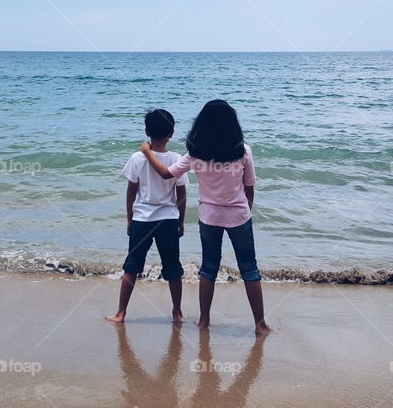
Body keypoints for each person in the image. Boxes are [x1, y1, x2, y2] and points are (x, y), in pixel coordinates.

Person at [139, 99, 272, 335]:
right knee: (250, 269)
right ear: (233, 124)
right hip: (239, 216)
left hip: (209, 217)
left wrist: (148, 152)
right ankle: (260, 325)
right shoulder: (243, 150)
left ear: (202, 124)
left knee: (208, 268)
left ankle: (204, 320)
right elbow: (249, 187)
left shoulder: (195, 153)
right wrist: (245, 209)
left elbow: (166, 174)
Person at [106, 109, 188, 324]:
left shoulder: (137, 157)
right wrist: (180, 220)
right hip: (168, 219)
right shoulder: (176, 158)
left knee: (132, 266)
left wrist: (129, 218)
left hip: (142, 218)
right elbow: (182, 194)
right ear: (171, 133)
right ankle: (177, 312)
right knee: (173, 268)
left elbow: (131, 191)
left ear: (146, 131)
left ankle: (121, 313)